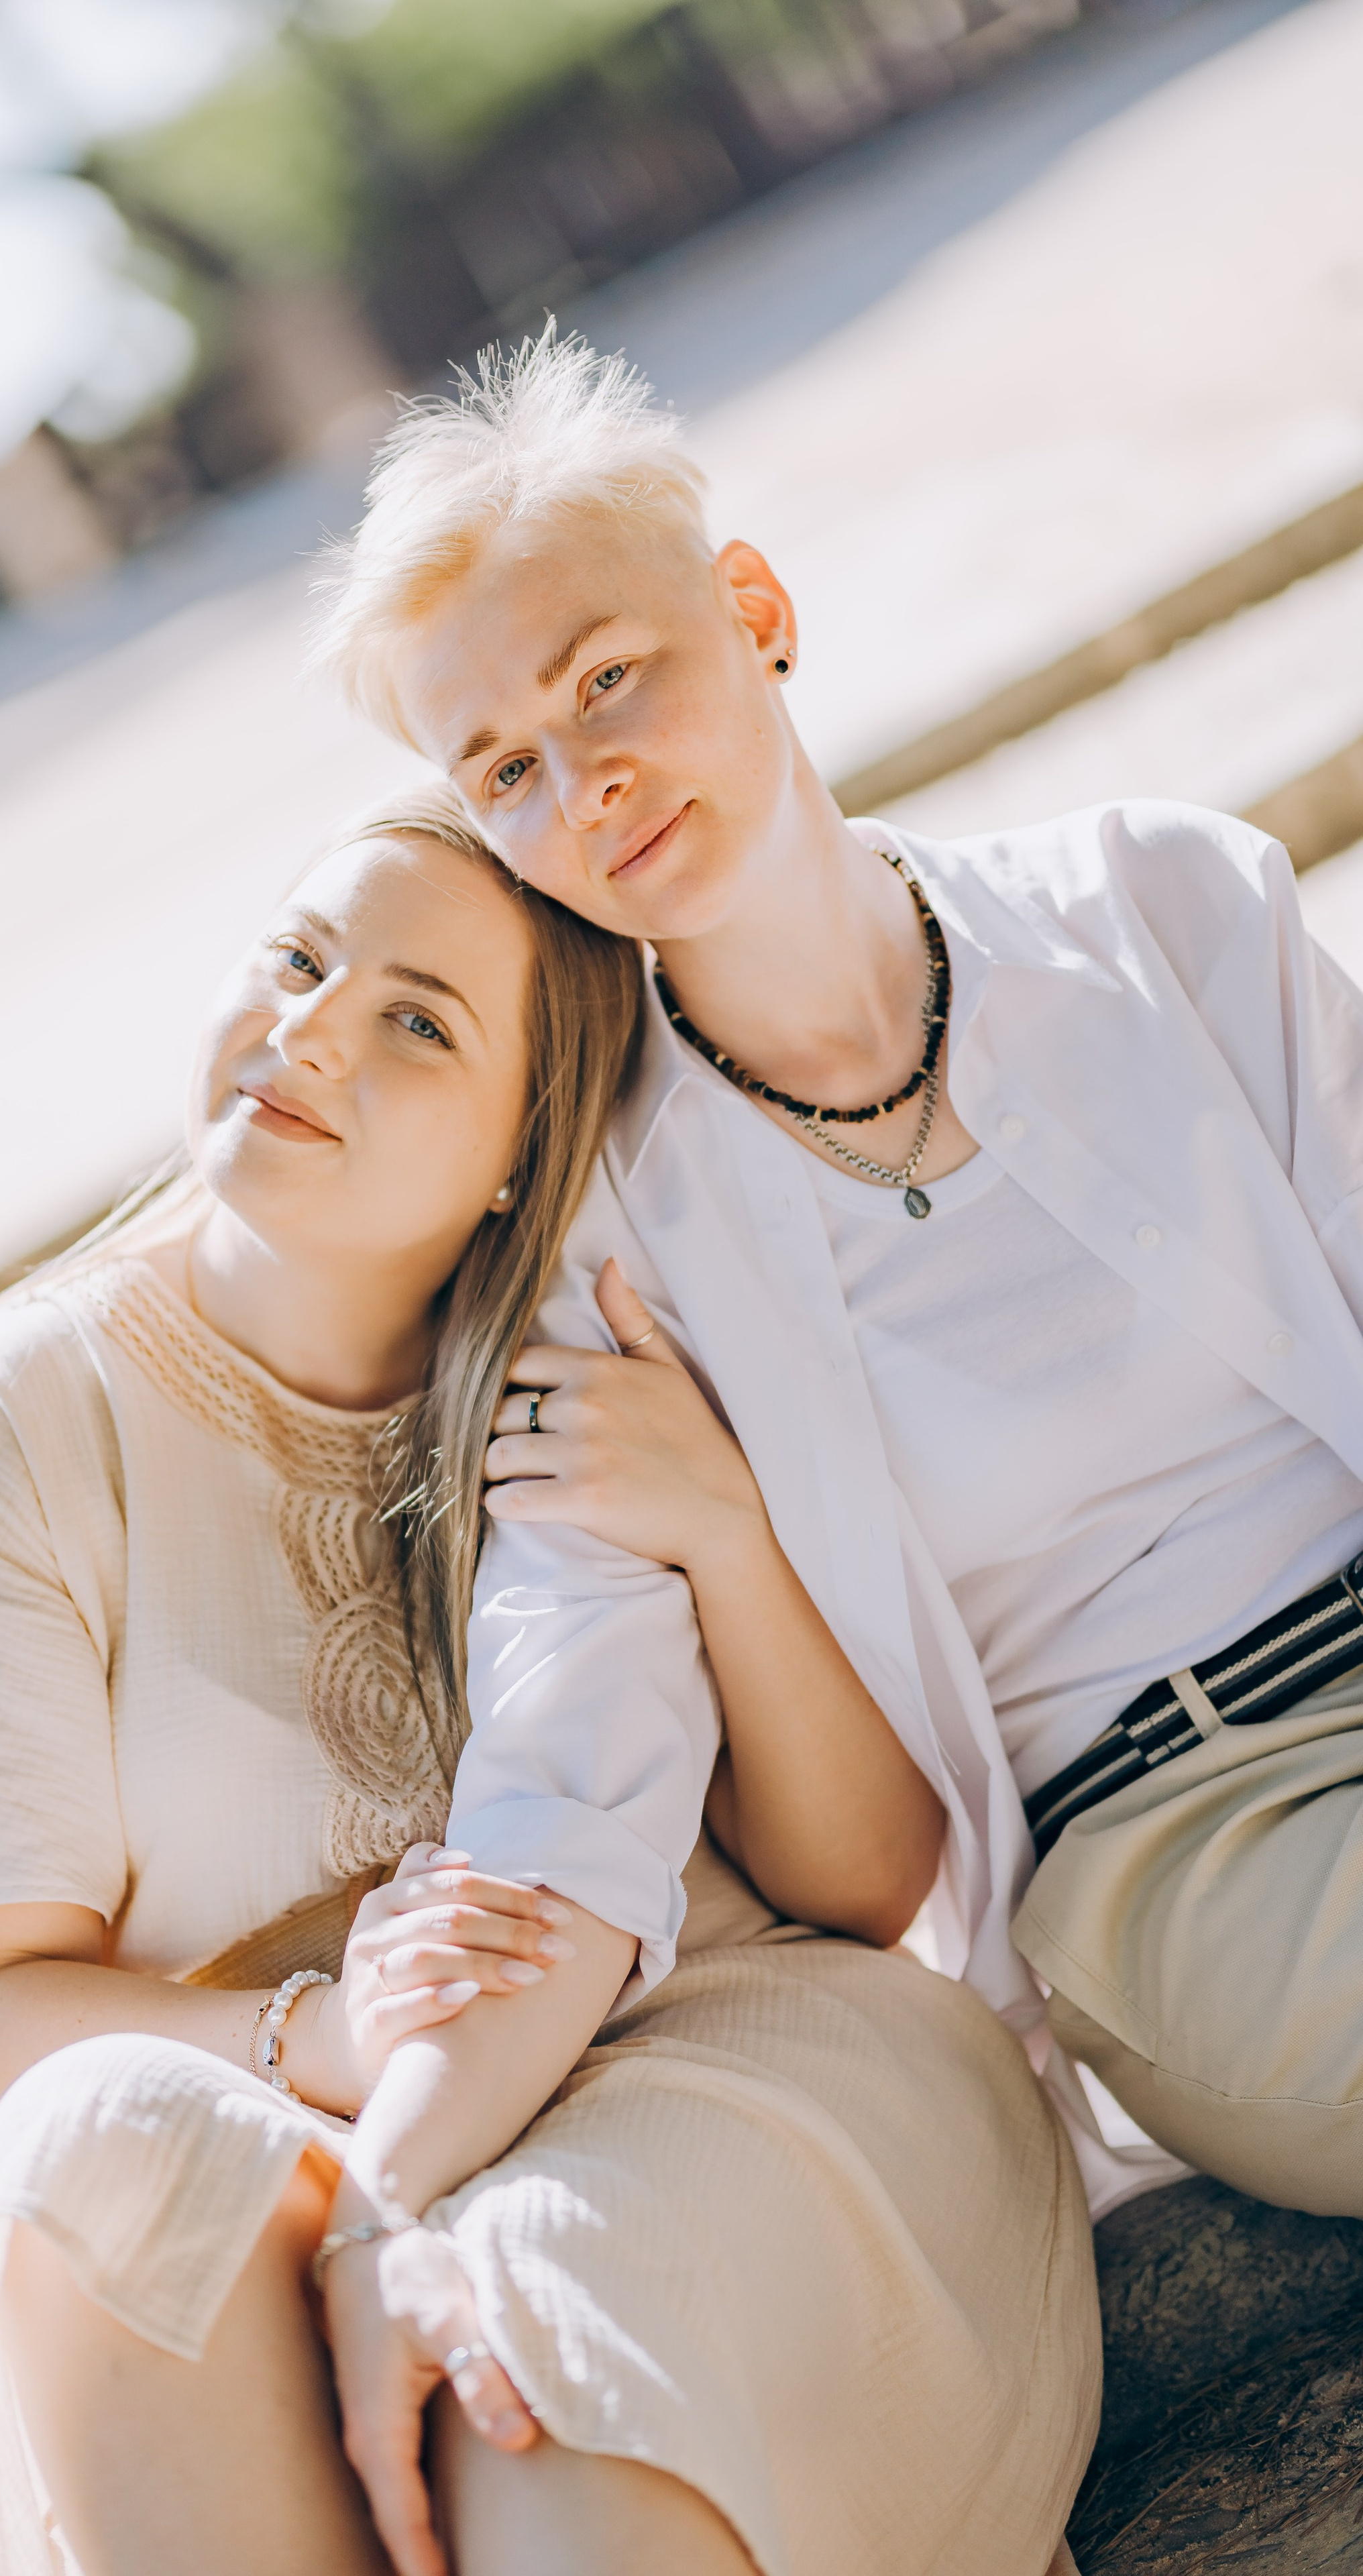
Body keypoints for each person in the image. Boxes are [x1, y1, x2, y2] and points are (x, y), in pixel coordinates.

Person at [0, 792, 1099, 2576]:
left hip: (705, 2052)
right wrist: (326, 2042)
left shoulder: (615, 1333)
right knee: (90, 2141)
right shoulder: (25, 1420)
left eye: (415, 1021)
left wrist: (725, 1537)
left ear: (528, 1143)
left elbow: (864, 1885)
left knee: (527, 2385)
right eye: (295, 960)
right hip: (293, 2110)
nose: (309, 1032)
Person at [314, 323, 1363, 2229]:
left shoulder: (1169, 904)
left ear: (756, 605)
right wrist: (392, 2185)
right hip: (1194, 1846)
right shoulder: (595, 1274)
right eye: (509, 769)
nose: (589, 786)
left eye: (610, 678)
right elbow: (619, 1788)